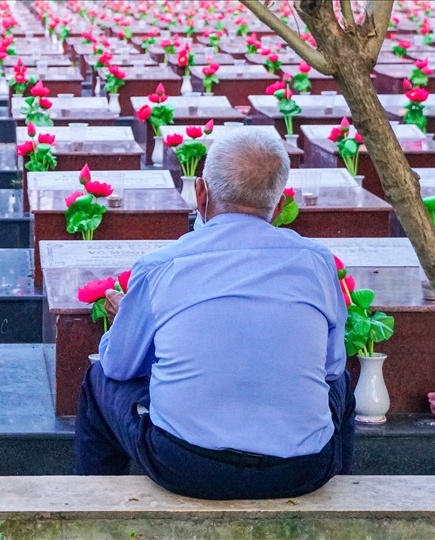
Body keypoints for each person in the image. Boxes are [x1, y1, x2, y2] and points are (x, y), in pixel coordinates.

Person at [74, 128, 355, 500]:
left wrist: (126, 317)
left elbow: (118, 367)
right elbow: (331, 368)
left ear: (201, 192)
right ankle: (348, 504)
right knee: (342, 386)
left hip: (187, 465)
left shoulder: (163, 265)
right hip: (303, 467)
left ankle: (96, 511)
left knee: (99, 381)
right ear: (278, 199)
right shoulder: (317, 262)